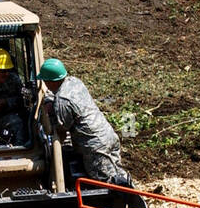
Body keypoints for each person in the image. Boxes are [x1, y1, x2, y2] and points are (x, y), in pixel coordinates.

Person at [37, 57, 132, 185]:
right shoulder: (74, 82)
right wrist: (50, 100)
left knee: (106, 182)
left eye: (45, 81)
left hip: (94, 146)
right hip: (108, 135)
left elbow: (62, 131)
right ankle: (133, 195)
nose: (45, 84)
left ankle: (130, 200)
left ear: (51, 81)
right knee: (118, 173)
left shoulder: (62, 101)